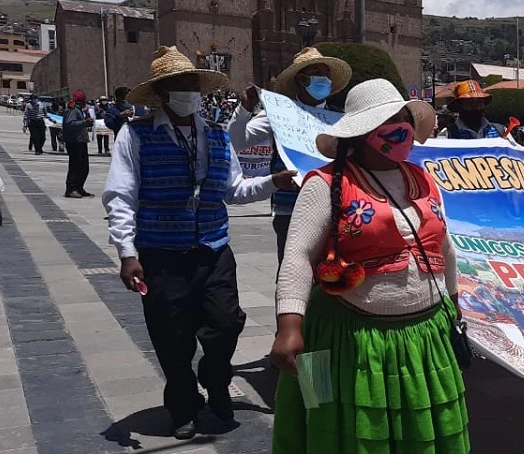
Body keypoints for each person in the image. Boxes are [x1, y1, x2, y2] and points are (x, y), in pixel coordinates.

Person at [103, 47, 298, 440]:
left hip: (213, 249)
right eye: (178, 85)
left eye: (192, 84)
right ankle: (183, 404)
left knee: (226, 323)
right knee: (171, 336)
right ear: (161, 93)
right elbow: (120, 196)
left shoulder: (216, 134)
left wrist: (271, 183)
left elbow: (235, 190)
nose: (188, 92)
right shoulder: (136, 134)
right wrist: (127, 253)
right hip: (160, 253)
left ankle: (216, 378)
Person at [270, 78, 469, 453]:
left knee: (422, 428)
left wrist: (454, 303)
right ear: (362, 132)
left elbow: (444, 245)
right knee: (333, 425)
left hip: (426, 335)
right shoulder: (324, 183)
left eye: (404, 117)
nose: (402, 128)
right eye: (389, 120)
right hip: (343, 339)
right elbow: (297, 254)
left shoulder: (423, 178)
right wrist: (289, 325)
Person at [228, 47, 352, 266]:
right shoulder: (278, 112)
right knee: (293, 270)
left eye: (326, 74)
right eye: (316, 73)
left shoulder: (340, 118)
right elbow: (237, 141)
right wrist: (244, 110)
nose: (323, 79)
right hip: (291, 207)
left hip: (335, 205)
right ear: (301, 80)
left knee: (334, 270)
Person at [63, 90, 93, 198]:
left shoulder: (79, 109)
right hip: (74, 142)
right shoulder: (73, 110)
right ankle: (71, 189)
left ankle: (79, 187)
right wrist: (85, 123)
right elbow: (69, 124)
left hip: (80, 141)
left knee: (84, 167)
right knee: (75, 166)